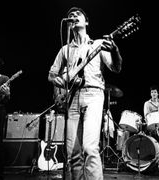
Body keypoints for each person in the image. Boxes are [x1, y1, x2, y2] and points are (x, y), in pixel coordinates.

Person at [48, 7, 122, 180]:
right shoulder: (65, 49)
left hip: (93, 95)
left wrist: (115, 50)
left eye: (77, 15)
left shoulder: (97, 44)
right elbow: (52, 74)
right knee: (72, 153)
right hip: (71, 99)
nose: (73, 17)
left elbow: (116, 68)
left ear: (86, 22)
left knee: (90, 147)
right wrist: (57, 81)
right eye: (70, 16)